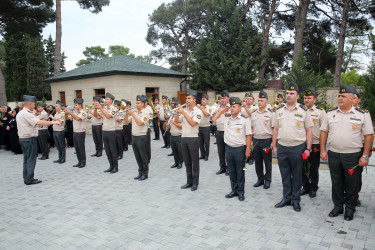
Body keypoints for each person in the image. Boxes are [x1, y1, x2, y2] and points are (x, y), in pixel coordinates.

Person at [320, 84, 374, 221]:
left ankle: (350, 209)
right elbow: (324, 132)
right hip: (333, 153)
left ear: (352, 99)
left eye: (343, 96)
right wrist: (322, 150)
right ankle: (338, 206)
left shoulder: (362, 114)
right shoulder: (330, 113)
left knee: (352, 184)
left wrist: (365, 155)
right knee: (336, 182)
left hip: (352, 155)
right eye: (339, 96)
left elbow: (368, 135)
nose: (339, 98)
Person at [272, 83, 313, 212]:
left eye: (291, 93)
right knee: (284, 175)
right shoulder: (279, 110)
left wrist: (308, 148)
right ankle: (286, 198)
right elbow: (276, 129)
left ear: (297, 96)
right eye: (287, 93)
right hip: (282, 147)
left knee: (296, 176)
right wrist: (274, 145)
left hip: (297, 147)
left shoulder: (303, 111)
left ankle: (295, 200)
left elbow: (309, 131)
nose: (288, 95)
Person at [213, 97, 252, 201]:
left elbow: (248, 135)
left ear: (239, 108)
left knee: (240, 171)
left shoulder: (245, 119)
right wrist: (223, 110)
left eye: (234, 107)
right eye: (231, 107)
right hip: (229, 149)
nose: (232, 108)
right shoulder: (227, 119)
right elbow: (214, 120)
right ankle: (233, 190)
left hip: (240, 149)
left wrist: (248, 150)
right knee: (232, 171)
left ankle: (241, 192)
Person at [17, 95, 61, 185]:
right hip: (29, 139)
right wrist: (53, 122)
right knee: (31, 159)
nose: (35, 106)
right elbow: (39, 122)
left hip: (23, 138)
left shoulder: (21, 113)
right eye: (33, 104)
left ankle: (26, 178)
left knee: (26, 159)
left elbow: (31, 123)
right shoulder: (26, 113)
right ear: (30, 104)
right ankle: (30, 179)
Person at [301, 87, 326, 198]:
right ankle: (305, 186)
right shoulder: (300, 110)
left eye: (309, 98)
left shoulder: (320, 112)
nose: (306, 100)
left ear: (314, 99)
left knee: (313, 167)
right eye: (305, 98)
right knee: (302, 167)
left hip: (315, 143)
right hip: (302, 143)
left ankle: (313, 187)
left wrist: (322, 147)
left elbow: (324, 130)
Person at [175, 89, 203, 191]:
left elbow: (192, 123)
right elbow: (177, 122)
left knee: (194, 162)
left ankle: (195, 183)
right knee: (187, 162)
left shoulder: (198, 111)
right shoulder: (185, 110)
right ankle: (189, 181)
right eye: (186, 98)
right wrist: (178, 113)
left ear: (194, 100)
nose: (187, 100)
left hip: (193, 139)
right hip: (184, 138)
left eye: (189, 98)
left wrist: (184, 113)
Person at [251, 91, 274, 189]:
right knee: (258, 161)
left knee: (267, 161)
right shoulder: (254, 113)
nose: (259, 102)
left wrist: (273, 142)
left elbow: (274, 128)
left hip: (266, 140)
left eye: (261, 100)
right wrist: (251, 140)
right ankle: (260, 179)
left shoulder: (271, 114)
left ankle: (267, 180)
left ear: (266, 102)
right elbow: (251, 127)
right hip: (256, 140)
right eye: (258, 100)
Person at [124, 95, 149, 181]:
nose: (136, 104)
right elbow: (126, 122)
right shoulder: (135, 113)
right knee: (137, 156)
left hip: (141, 137)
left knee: (143, 156)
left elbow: (140, 123)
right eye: (136, 103)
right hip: (134, 137)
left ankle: (145, 174)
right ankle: (140, 172)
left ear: (142, 104)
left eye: (138, 103)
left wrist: (132, 114)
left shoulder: (145, 113)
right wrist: (126, 114)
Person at [96, 93, 118, 173]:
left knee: (113, 150)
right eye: (105, 99)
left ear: (111, 101)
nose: (105, 100)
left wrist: (101, 109)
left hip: (111, 131)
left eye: (107, 99)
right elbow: (97, 116)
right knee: (107, 150)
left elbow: (108, 116)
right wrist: (96, 108)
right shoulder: (104, 108)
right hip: (104, 131)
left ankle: (115, 167)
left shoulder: (114, 109)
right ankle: (111, 166)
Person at [65, 98, 87, 168]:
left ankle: (83, 162)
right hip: (75, 132)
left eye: (76, 104)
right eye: (74, 104)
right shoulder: (75, 112)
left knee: (81, 148)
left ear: (80, 105)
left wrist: (70, 113)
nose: (75, 106)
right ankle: (79, 161)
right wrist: (66, 113)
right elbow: (67, 118)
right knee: (77, 148)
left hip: (80, 132)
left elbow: (77, 118)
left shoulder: (83, 112)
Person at [214, 90, 231, 175]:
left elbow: (230, 114)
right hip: (219, 131)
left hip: (227, 132)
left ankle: (229, 168)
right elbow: (212, 118)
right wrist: (216, 112)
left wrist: (222, 110)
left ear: (228, 99)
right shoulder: (217, 106)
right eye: (221, 98)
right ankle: (222, 167)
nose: (222, 100)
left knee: (228, 151)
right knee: (220, 151)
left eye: (224, 98)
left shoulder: (231, 106)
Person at [169, 101, 183, 169]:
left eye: (179, 107)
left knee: (179, 150)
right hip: (172, 135)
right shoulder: (173, 115)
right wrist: (167, 125)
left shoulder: (183, 115)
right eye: (177, 107)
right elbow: (169, 124)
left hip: (179, 135)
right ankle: (176, 162)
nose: (177, 108)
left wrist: (174, 123)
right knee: (174, 150)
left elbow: (181, 126)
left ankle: (180, 163)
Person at [197, 94, 211, 161]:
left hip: (206, 127)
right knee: (200, 142)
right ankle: (202, 154)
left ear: (207, 101)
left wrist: (200, 108)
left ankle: (206, 155)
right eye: (202, 99)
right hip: (199, 127)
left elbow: (206, 114)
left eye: (204, 99)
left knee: (206, 142)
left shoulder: (209, 108)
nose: (202, 101)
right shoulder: (199, 108)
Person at [144, 96, 153, 162]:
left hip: (146, 128)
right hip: (140, 129)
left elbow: (150, 120)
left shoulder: (149, 109)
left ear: (146, 102)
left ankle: (148, 158)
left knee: (147, 144)